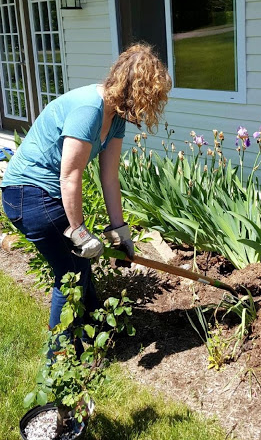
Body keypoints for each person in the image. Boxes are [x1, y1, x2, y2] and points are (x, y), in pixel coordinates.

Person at [1, 43, 171, 350]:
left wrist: (119, 231)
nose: (147, 108)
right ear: (132, 90)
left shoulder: (116, 116)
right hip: (28, 194)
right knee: (70, 274)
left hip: (47, 195)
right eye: (147, 98)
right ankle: (62, 362)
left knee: (79, 265)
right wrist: (78, 231)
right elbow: (70, 176)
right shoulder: (88, 109)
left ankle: (96, 333)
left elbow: (109, 177)